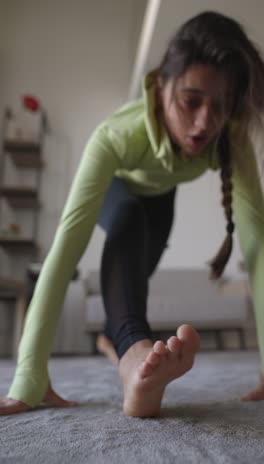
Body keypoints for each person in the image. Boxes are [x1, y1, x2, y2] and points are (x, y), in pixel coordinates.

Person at [1, 10, 264, 418]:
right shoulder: (114, 138)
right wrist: (28, 377)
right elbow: (65, 250)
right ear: (162, 87)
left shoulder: (229, 135)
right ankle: (132, 357)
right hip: (118, 188)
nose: (203, 123)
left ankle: (110, 339)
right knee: (127, 218)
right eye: (190, 101)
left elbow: (257, 246)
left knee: (134, 277)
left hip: (161, 201)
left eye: (221, 105)